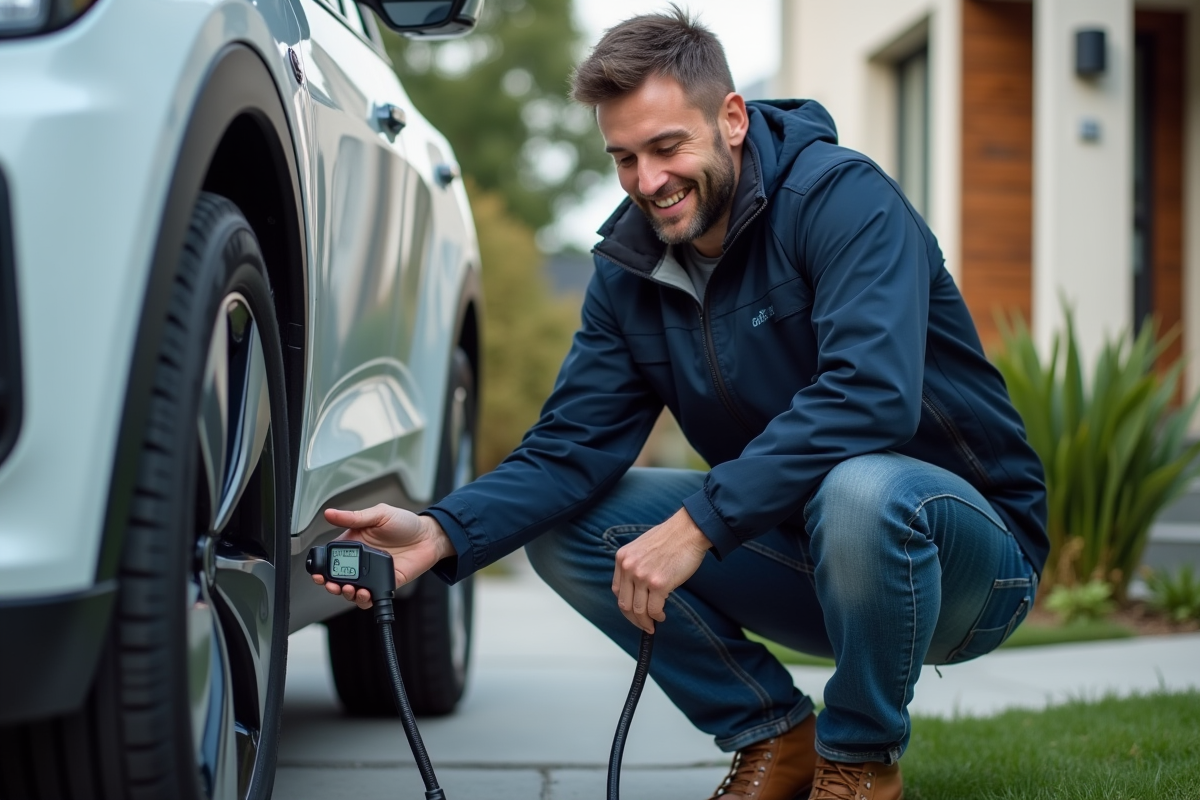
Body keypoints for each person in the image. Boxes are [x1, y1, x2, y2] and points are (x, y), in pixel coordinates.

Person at [313, 8, 1047, 799]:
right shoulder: (629, 269)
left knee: (862, 486)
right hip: (809, 551)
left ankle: (859, 761)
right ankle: (773, 734)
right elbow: (570, 448)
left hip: (962, 558)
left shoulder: (842, 198)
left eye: (667, 147)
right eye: (624, 157)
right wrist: (441, 532)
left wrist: (698, 526)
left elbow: (871, 395)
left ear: (732, 118)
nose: (647, 182)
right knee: (572, 529)